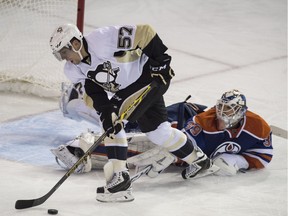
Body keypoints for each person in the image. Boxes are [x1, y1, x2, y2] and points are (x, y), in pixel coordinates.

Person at [49, 24, 210, 202]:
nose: (65, 58)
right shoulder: (72, 69)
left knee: (114, 121)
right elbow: (92, 92)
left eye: (64, 52)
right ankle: (199, 160)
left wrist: (161, 61)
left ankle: (120, 182)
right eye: (61, 55)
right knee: (158, 133)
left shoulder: (103, 39)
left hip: (151, 77)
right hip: (130, 91)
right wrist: (105, 111)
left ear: (75, 43)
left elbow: (145, 32)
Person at [52, 87, 273, 178]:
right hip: (180, 117)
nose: (222, 114)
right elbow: (178, 145)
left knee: (131, 133)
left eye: (229, 110)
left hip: (192, 138)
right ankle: (77, 102)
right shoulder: (204, 121)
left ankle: (86, 145)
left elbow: (263, 155)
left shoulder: (257, 128)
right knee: (125, 122)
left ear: (241, 113)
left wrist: (236, 161)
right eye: (221, 108)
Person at [183, 89, 273, 176]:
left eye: (228, 107)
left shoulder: (257, 126)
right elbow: (182, 145)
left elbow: (263, 156)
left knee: (224, 165)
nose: (221, 111)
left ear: (240, 111)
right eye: (220, 106)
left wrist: (237, 161)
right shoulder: (202, 122)